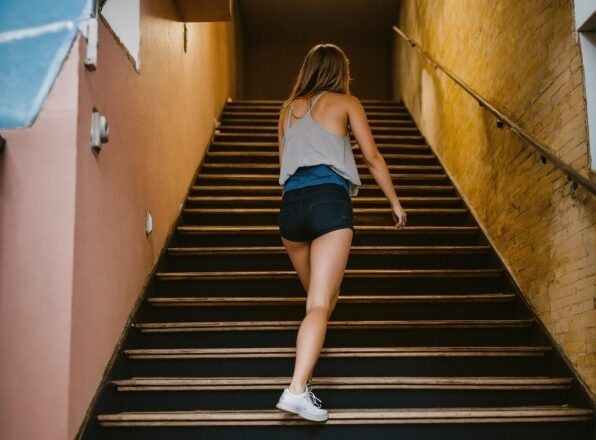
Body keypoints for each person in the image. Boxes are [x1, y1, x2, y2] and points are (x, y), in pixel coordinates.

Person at [274, 43, 407, 422]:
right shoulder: (347, 102)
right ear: (339, 71)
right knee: (319, 303)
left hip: (291, 209)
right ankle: (296, 390)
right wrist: (394, 202)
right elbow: (371, 156)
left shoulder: (287, 110)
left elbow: (282, 166)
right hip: (328, 200)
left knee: (322, 302)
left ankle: (304, 384)